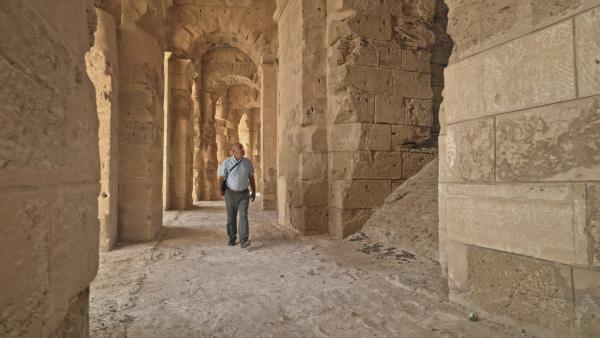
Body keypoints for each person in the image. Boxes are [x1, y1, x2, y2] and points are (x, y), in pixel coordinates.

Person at [217, 143, 256, 248]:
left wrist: (254, 190)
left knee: (243, 216)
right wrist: (219, 190)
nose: (243, 149)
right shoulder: (226, 162)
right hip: (230, 193)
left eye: (242, 147)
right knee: (231, 217)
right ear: (233, 152)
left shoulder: (248, 162)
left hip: (244, 194)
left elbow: (251, 177)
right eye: (240, 148)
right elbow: (221, 178)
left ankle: (244, 240)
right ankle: (232, 238)